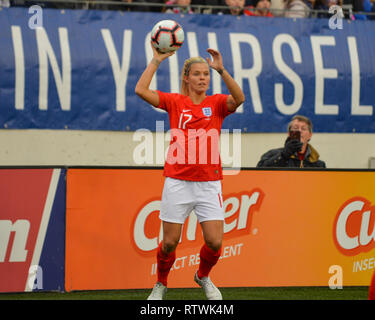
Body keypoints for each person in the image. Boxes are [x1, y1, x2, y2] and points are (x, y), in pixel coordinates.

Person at [135, 43, 245, 300]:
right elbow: (140, 90)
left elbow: (239, 99)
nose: (203, 78)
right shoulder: (175, 102)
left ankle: (203, 276)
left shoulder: (216, 103)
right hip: (177, 181)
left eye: (206, 74)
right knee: (170, 242)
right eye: (197, 74)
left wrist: (222, 70)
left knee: (215, 243)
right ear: (186, 78)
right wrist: (156, 60)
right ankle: (161, 283)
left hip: (209, 183)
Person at [257, 115, 326, 168]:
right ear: (289, 133)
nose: (299, 131)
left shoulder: (319, 165)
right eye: (296, 128)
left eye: (303, 128)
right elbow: (259, 172)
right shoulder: (272, 154)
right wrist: (283, 156)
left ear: (310, 135)